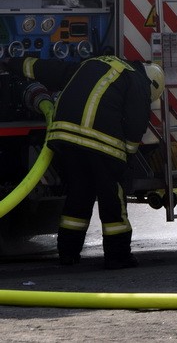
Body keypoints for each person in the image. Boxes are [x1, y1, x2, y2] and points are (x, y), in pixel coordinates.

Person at [8, 55, 164, 269]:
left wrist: (15, 63)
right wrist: (128, 155)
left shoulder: (95, 63)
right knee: (112, 197)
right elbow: (136, 123)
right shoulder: (137, 81)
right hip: (101, 143)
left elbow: (51, 69)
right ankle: (117, 256)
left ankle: (68, 253)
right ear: (152, 83)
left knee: (79, 194)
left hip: (63, 138)